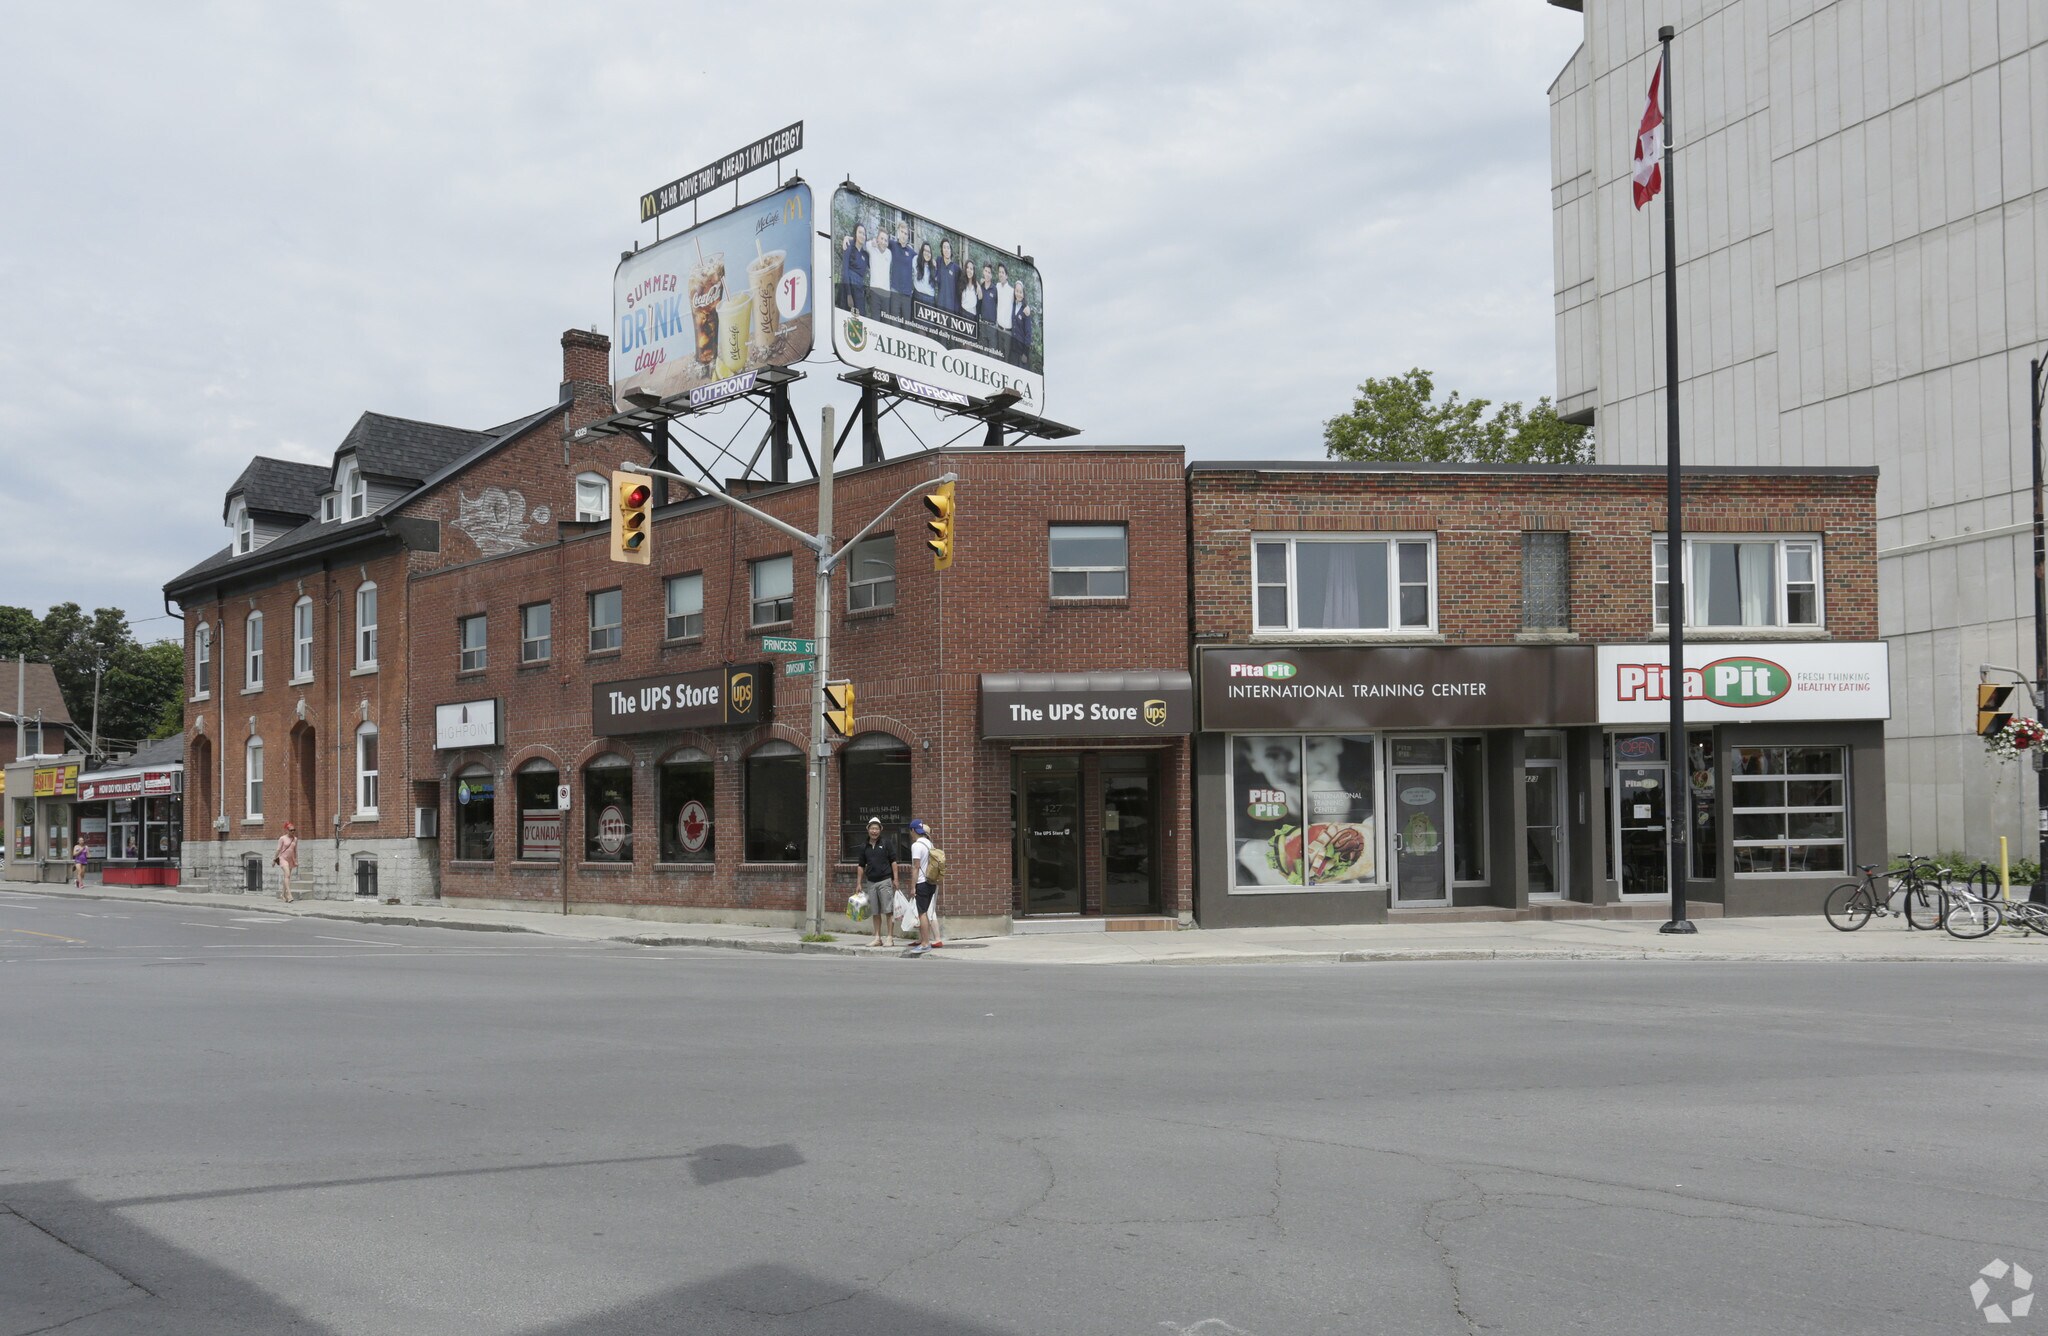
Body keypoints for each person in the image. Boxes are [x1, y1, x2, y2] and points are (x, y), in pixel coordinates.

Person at [851, 817, 901, 948]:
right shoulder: (864, 846)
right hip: (871, 882)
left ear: (881, 829)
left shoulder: (886, 843)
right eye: (872, 828)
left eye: (877, 828)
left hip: (885, 880)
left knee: (888, 910)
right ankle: (877, 937)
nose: (874, 831)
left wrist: (895, 879)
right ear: (868, 829)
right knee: (875, 911)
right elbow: (861, 865)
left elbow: (894, 862)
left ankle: (890, 937)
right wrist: (859, 883)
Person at [907, 818, 942, 954]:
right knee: (926, 912)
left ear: (913, 830)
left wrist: (912, 886)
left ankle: (925, 943)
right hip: (931, 882)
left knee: (922, 913)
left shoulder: (916, 845)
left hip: (921, 882)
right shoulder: (929, 843)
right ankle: (925, 940)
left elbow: (916, 867)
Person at [841, 224, 871, 316]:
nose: (862, 235)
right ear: (855, 233)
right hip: (848, 288)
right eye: (860, 232)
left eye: (864, 234)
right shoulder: (849, 247)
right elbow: (844, 271)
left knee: (861, 317)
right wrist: (849, 295)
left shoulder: (865, 255)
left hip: (859, 290)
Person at [888, 221, 916, 319]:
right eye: (902, 232)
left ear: (908, 236)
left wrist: (933, 261)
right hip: (895, 291)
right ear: (898, 232)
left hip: (907, 295)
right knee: (894, 322)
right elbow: (878, 241)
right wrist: (849, 238)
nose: (903, 235)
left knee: (907, 325)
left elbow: (923, 260)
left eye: (906, 233)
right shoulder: (892, 244)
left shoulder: (911, 252)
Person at [867, 225, 894, 320]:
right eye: (881, 239)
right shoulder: (871, 247)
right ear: (877, 239)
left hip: (886, 293)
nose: (883, 242)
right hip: (875, 291)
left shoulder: (889, 253)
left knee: (886, 323)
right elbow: (858, 241)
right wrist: (846, 238)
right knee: (875, 320)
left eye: (885, 240)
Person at [1009, 283, 1034, 366]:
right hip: (1013, 346)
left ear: (1023, 294)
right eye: (1017, 291)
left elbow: (1028, 333)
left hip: (1021, 349)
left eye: (1020, 292)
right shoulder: (1013, 305)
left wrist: (1025, 353)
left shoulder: (1025, 310)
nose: (1018, 294)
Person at [273, 822, 299, 903]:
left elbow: (295, 851)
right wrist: (274, 860)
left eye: (294, 830)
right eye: (291, 830)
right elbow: (278, 850)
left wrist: (296, 860)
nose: (293, 832)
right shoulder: (282, 838)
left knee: (287, 877)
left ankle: (282, 894)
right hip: (283, 858)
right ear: (287, 830)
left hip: (290, 859)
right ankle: (289, 895)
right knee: (287, 875)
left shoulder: (295, 839)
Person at [935, 238, 960, 312]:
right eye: (944, 247)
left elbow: (966, 279)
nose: (946, 250)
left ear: (951, 250)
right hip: (940, 305)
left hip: (951, 308)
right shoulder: (938, 261)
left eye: (948, 248)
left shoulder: (956, 268)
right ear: (942, 250)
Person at [913, 242, 937, 308]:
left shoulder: (933, 266)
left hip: (930, 299)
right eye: (925, 250)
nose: (927, 253)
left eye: (929, 252)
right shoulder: (915, 260)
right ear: (922, 251)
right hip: (918, 296)